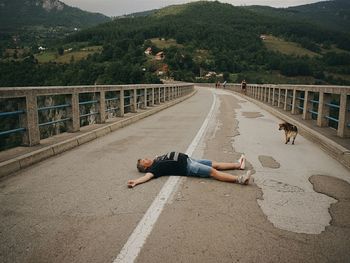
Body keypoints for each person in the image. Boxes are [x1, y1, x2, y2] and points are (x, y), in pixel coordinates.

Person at [127, 151, 252, 188]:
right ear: (146, 166)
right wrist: (136, 181)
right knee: (213, 172)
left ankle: (238, 165)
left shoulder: (156, 159)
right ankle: (240, 179)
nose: (146, 158)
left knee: (215, 164)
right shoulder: (154, 169)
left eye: (143, 158)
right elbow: (146, 177)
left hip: (189, 160)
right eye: (144, 161)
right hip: (189, 167)